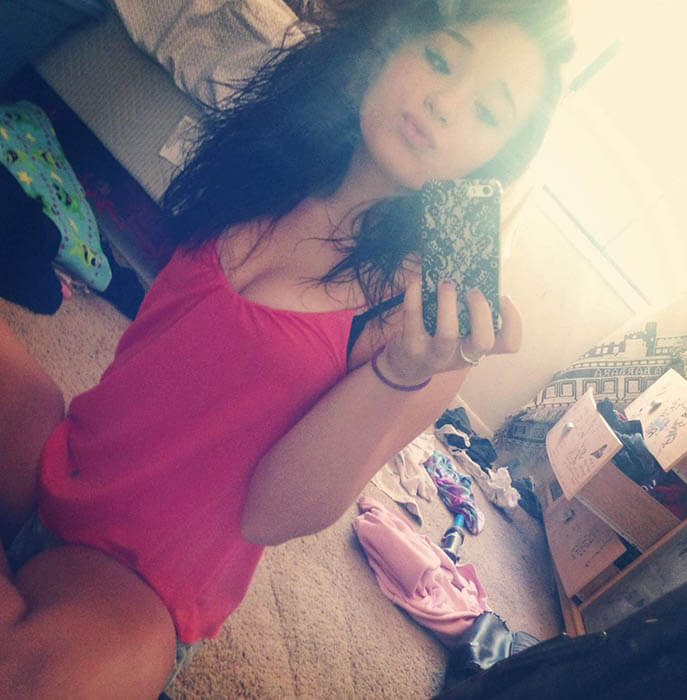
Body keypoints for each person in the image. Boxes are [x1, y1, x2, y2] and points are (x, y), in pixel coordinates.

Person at [0, 0, 574, 697]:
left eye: (486, 111)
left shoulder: (420, 329)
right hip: (60, 453)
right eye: (439, 58)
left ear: (494, 163)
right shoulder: (270, 163)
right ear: (388, 45)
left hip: (137, 584)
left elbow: (273, 514)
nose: (444, 103)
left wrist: (398, 372)